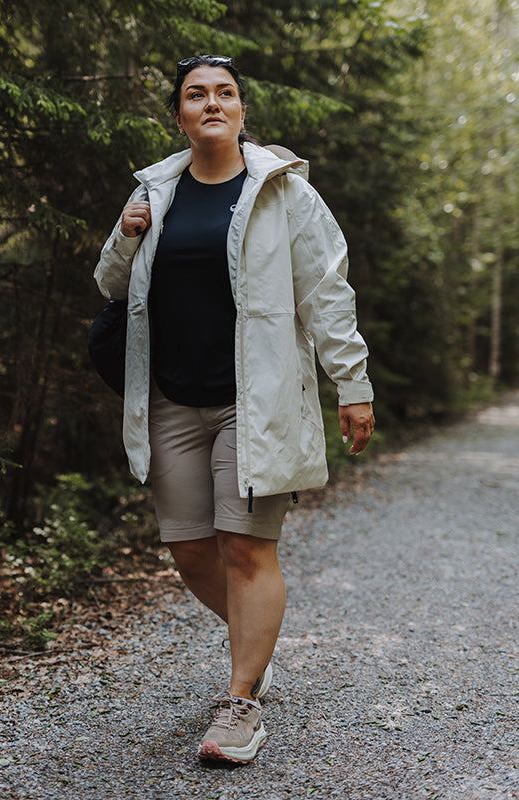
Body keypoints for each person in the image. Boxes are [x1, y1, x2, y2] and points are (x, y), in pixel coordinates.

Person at [94, 54, 375, 764]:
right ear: (180, 114)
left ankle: (241, 702)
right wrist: (125, 235)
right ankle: (259, 640)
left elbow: (327, 293)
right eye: (197, 94)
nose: (211, 103)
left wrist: (355, 383)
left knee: (247, 548)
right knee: (191, 550)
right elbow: (107, 284)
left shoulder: (283, 193)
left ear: (242, 111)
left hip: (257, 403)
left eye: (225, 93)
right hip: (169, 401)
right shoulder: (154, 191)